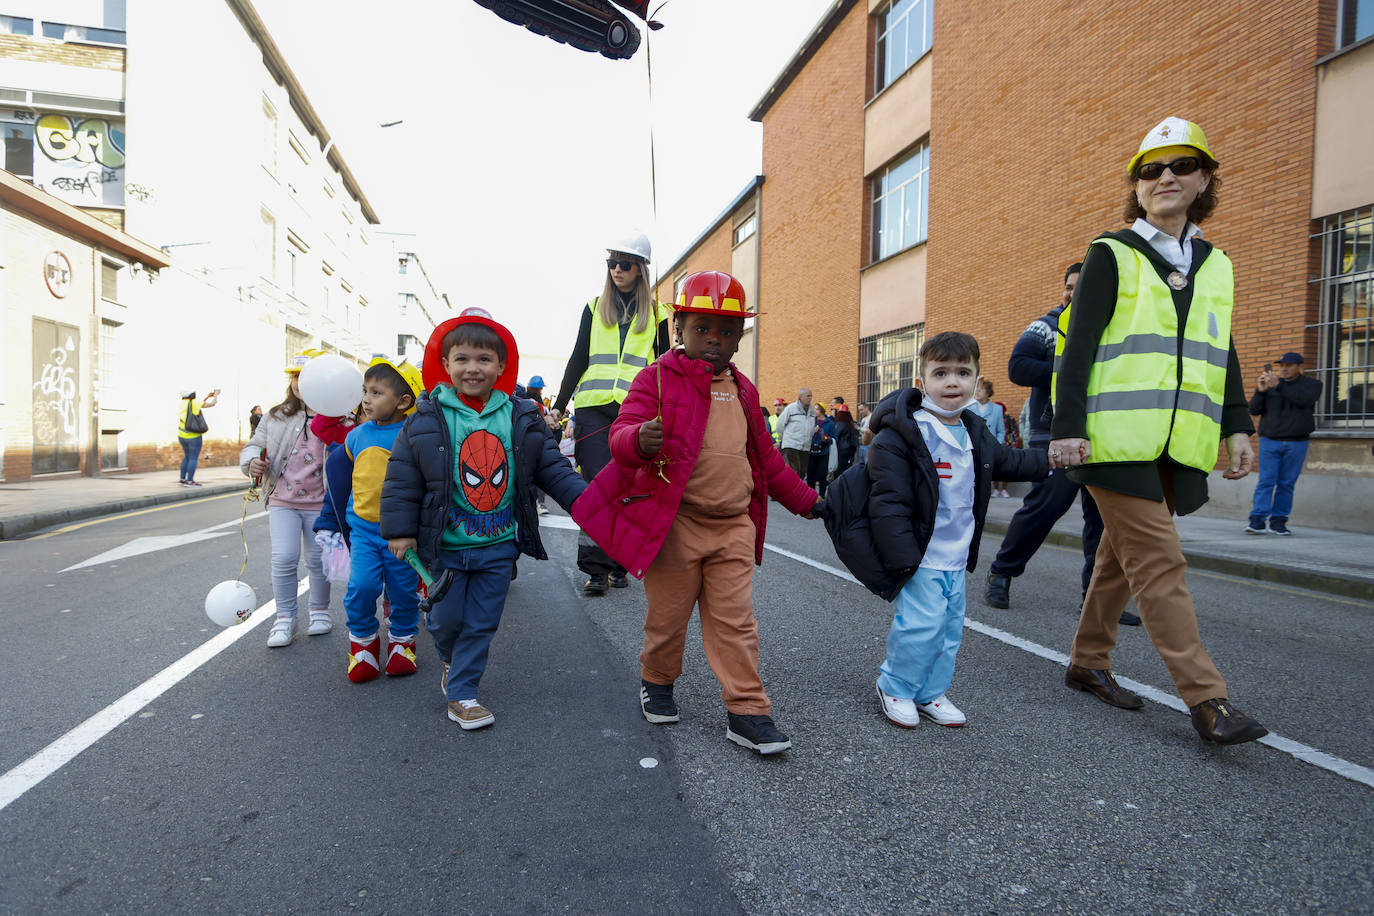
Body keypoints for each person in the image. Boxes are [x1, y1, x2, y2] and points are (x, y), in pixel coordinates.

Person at [1050, 117, 1266, 746]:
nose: (1166, 177)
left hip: (1177, 443)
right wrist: (1066, 431)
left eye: (1181, 166)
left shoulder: (1216, 264)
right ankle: (1208, 700)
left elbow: (1219, 351)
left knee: (1120, 557)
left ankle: (1088, 662)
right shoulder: (1110, 252)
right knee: (1161, 562)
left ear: (1204, 179)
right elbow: (1078, 348)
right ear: (1136, 188)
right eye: (1151, 169)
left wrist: (1237, 428)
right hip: (1114, 442)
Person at [572, 271, 822, 756]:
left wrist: (810, 503)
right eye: (703, 328)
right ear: (679, 325)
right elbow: (621, 435)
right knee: (667, 619)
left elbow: (767, 460)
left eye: (727, 332)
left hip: (732, 527)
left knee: (737, 623)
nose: (715, 340)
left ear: (739, 337)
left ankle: (748, 711)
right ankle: (657, 680)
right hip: (676, 525)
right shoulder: (655, 378)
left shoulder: (745, 392)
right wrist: (639, 439)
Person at [382, 308, 586, 730]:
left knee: (481, 622)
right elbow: (402, 478)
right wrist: (401, 532)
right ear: (445, 365)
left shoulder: (520, 415)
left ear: (501, 366)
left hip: (497, 544)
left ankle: (463, 693)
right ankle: (449, 661)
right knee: (445, 621)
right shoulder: (426, 417)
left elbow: (553, 468)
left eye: (483, 359)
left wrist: (589, 505)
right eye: (462, 359)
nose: (473, 368)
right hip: (445, 547)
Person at [867, 332, 1048, 728]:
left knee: (949, 629)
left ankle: (930, 692)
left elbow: (1010, 462)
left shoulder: (973, 429)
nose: (953, 382)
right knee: (921, 626)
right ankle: (896, 686)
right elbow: (888, 502)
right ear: (922, 383)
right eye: (941, 373)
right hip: (920, 555)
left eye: (963, 373)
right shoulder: (904, 434)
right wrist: (902, 558)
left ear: (977, 380)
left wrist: (1051, 458)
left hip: (956, 553)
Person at [984, 263, 1117, 621]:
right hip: (1055, 435)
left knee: (1102, 520)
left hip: (1104, 437)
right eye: (1068, 287)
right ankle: (1002, 571)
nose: (1072, 294)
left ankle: (1097, 598)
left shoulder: (1112, 328)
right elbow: (1018, 366)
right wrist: (1070, 366)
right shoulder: (1046, 325)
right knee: (1046, 506)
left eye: (1081, 287)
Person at [552, 231, 671, 596]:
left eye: (625, 263)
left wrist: (667, 414)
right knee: (597, 486)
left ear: (641, 269)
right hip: (593, 410)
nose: (617, 269)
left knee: (632, 488)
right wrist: (558, 406)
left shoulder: (658, 314)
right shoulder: (593, 307)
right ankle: (596, 570)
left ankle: (620, 563)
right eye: (612, 262)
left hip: (637, 412)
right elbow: (578, 358)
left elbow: (666, 368)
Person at [313, 357, 424, 684]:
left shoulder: (413, 436)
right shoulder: (356, 436)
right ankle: (362, 644)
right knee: (361, 587)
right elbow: (338, 481)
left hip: (402, 535)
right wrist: (329, 521)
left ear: (403, 401)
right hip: (362, 531)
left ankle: (402, 642)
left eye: (376, 392)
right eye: (365, 391)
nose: (366, 399)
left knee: (404, 592)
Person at [240, 350, 332, 647]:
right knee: (283, 558)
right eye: (296, 378)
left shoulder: (340, 415)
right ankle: (284, 618)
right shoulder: (276, 415)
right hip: (283, 500)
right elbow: (254, 445)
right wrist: (252, 461)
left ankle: (319, 611)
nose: (300, 384)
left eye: (308, 378)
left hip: (321, 503)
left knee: (318, 561)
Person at [1246, 351, 1322, 535]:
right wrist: (1260, 391)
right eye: (1282, 365)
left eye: (1289, 365)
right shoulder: (1272, 385)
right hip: (1270, 441)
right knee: (1266, 481)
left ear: (1299, 367)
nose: (1284, 369)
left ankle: (1278, 522)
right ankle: (1257, 520)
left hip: (1297, 442)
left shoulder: (1312, 385)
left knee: (1287, 483)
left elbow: (1304, 400)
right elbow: (1254, 410)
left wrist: (1278, 386)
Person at [970, 380, 1007, 496]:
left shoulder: (997, 409)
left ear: (988, 392)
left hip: (990, 446)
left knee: (989, 472)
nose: (977, 392)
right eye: (976, 389)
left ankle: (992, 491)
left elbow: (1001, 430)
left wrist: (997, 444)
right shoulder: (970, 407)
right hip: (974, 446)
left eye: (980, 390)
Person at [177, 388, 219, 486]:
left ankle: (183, 478)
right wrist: (216, 394)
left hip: (181, 435)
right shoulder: (195, 403)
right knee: (193, 458)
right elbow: (212, 404)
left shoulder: (181, 404)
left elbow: (197, 406)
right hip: (193, 436)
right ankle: (190, 481)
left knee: (187, 456)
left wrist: (207, 397)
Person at [775, 388, 814, 477]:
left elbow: (811, 428)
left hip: (805, 447)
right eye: (808, 396)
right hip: (791, 445)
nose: (810, 398)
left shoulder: (812, 411)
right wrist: (784, 439)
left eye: (811, 396)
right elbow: (780, 424)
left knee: (802, 473)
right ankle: (793, 490)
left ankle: (796, 489)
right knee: (795, 471)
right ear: (800, 397)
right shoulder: (791, 408)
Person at [806, 403, 835, 497]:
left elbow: (834, 439)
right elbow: (805, 435)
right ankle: (811, 496)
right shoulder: (811, 421)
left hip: (823, 453)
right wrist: (812, 432)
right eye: (814, 409)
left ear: (822, 410)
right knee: (810, 477)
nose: (815, 411)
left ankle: (822, 496)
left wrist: (825, 437)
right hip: (811, 452)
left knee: (822, 477)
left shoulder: (829, 423)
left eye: (817, 409)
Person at [832, 403, 858, 475]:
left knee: (840, 469)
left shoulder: (840, 423)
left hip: (842, 449)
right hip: (851, 448)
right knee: (847, 467)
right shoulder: (851, 423)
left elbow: (836, 435)